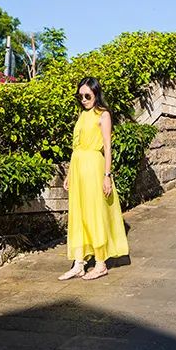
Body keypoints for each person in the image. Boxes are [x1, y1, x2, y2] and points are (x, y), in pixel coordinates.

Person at [58, 77, 129, 281]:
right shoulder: (82, 115)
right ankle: (79, 263)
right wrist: (70, 174)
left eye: (87, 95)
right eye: (80, 96)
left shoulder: (103, 115)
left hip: (94, 167)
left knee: (94, 213)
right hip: (79, 167)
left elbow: (107, 147)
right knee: (78, 214)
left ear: (96, 94)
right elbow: (76, 147)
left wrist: (107, 175)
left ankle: (100, 263)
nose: (83, 99)